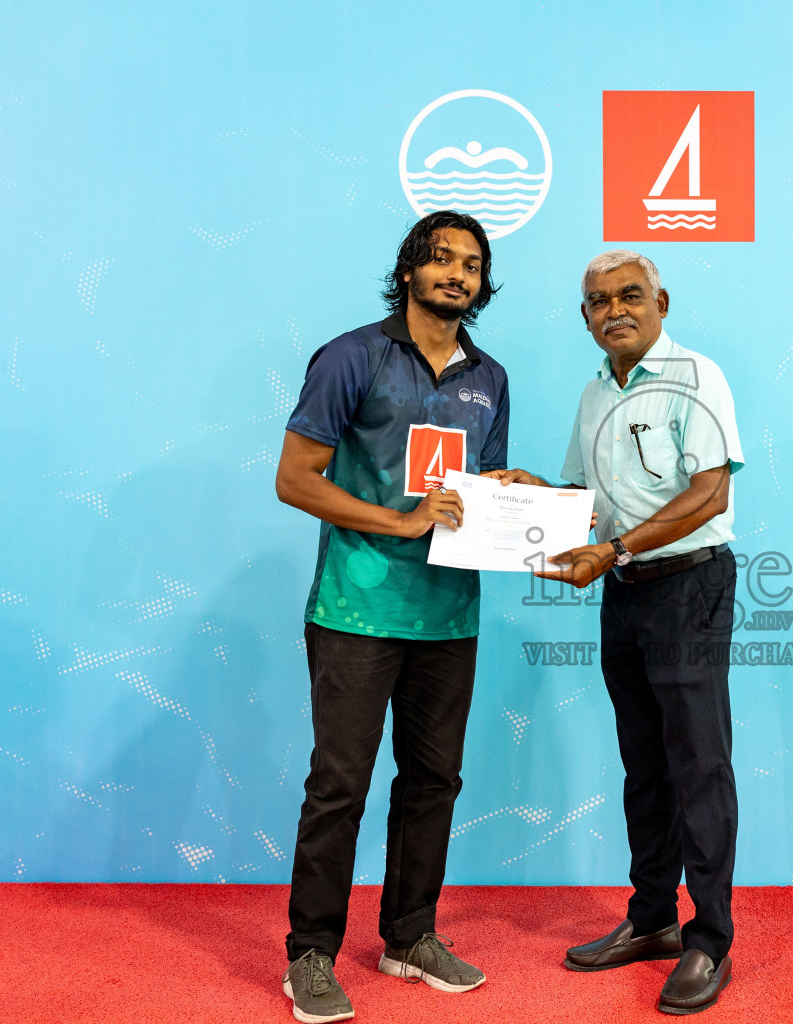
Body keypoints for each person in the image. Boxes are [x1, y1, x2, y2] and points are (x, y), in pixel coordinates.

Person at [487, 249, 743, 1015]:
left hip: (688, 585)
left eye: (630, 295)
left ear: (661, 300)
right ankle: (653, 919)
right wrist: (535, 495)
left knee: (698, 764)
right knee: (645, 765)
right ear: (585, 316)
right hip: (625, 592)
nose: (614, 310)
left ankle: (710, 940)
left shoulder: (697, 379)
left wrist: (615, 548)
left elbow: (710, 490)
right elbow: (583, 497)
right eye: (598, 301)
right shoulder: (595, 393)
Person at [274, 210, 509, 1023]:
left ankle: (409, 937)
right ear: (409, 269)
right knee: (340, 784)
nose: (457, 274)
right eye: (440, 259)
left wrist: (514, 499)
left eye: (471, 264)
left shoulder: (491, 376)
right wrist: (401, 521)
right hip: (357, 610)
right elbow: (297, 478)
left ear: (481, 283)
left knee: (433, 782)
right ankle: (310, 954)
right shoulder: (352, 356)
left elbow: (478, 486)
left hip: (449, 615)